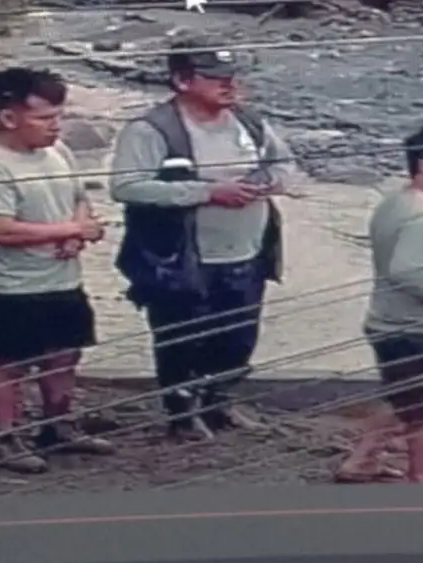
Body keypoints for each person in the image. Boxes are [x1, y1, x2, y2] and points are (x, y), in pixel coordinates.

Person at [108, 38, 300, 442]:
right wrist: (206, 192)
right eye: (215, 78)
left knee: (238, 336)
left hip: (247, 252)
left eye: (230, 77)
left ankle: (219, 403)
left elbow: (284, 163)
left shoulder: (248, 121)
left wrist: (269, 183)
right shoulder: (151, 130)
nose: (228, 85)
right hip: (180, 258)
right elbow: (126, 188)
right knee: (181, 339)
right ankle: (181, 415)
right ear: (181, 81)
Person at [0, 67, 114, 473]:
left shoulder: (58, 152)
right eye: (44, 118)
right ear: (8, 117)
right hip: (12, 287)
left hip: (62, 278)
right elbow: (0, 229)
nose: (55, 126)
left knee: (65, 354)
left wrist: (76, 234)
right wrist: (72, 229)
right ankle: (2, 438)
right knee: (9, 362)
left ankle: (57, 426)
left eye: (58, 116)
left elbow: (79, 198)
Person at [336, 121, 423, 484]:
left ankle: (362, 461)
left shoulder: (396, 201)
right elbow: (408, 270)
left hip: (388, 322)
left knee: (401, 398)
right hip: (421, 331)